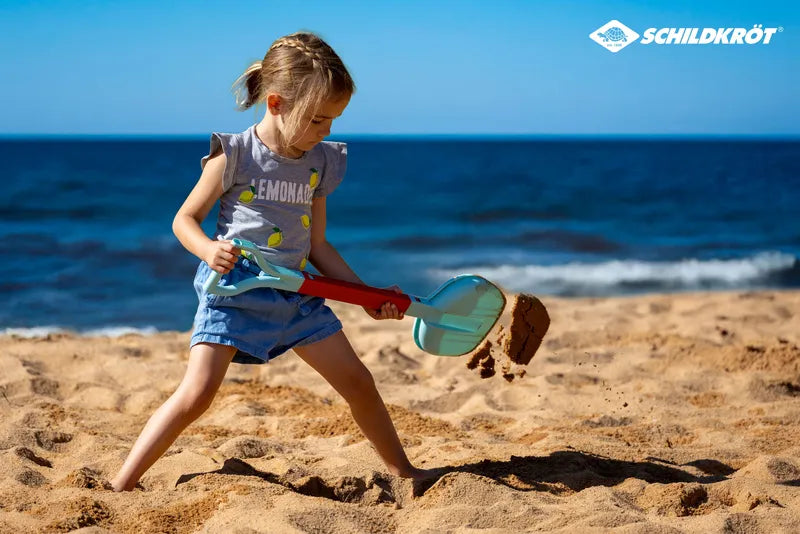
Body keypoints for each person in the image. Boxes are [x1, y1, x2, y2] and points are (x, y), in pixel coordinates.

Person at [111, 31, 437, 491]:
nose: (326, 132)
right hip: (233, 295)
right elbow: (184, 220)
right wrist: (208, 249)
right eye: (318, 119)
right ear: (277, 103)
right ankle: (123, 483)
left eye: (333, 121)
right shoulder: (235, 155)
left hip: (297, 297)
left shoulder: (319, 161)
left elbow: (318, 246)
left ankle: (405, 473)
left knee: (359, 382)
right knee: (197, 394)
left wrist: (366, 296)